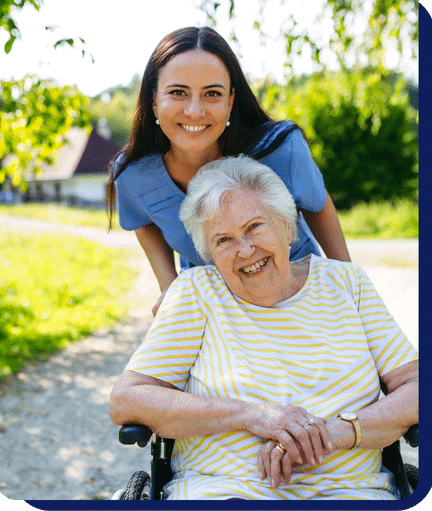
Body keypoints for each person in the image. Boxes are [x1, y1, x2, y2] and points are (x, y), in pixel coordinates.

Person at [109, 156, 418, 501]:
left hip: (352, 493)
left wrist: (331, 434)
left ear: (287, 227)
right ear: (209, 253)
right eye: (223, 240)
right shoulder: (197, 293)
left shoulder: (347, 284)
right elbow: (127, 400)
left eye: (255, 226)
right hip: (224, 492)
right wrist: (253, 415)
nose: (244, 249)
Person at [106, 26, 351, 315]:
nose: (195, 111)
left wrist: (348, 282)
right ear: (155, 102)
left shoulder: (281, 151)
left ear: (231, 101)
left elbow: (318, 205)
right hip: (215, 307)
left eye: (212, 93)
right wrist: (168, 285)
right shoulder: (134, 175)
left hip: (300, 294)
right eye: (178, 93)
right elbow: (142, 219)